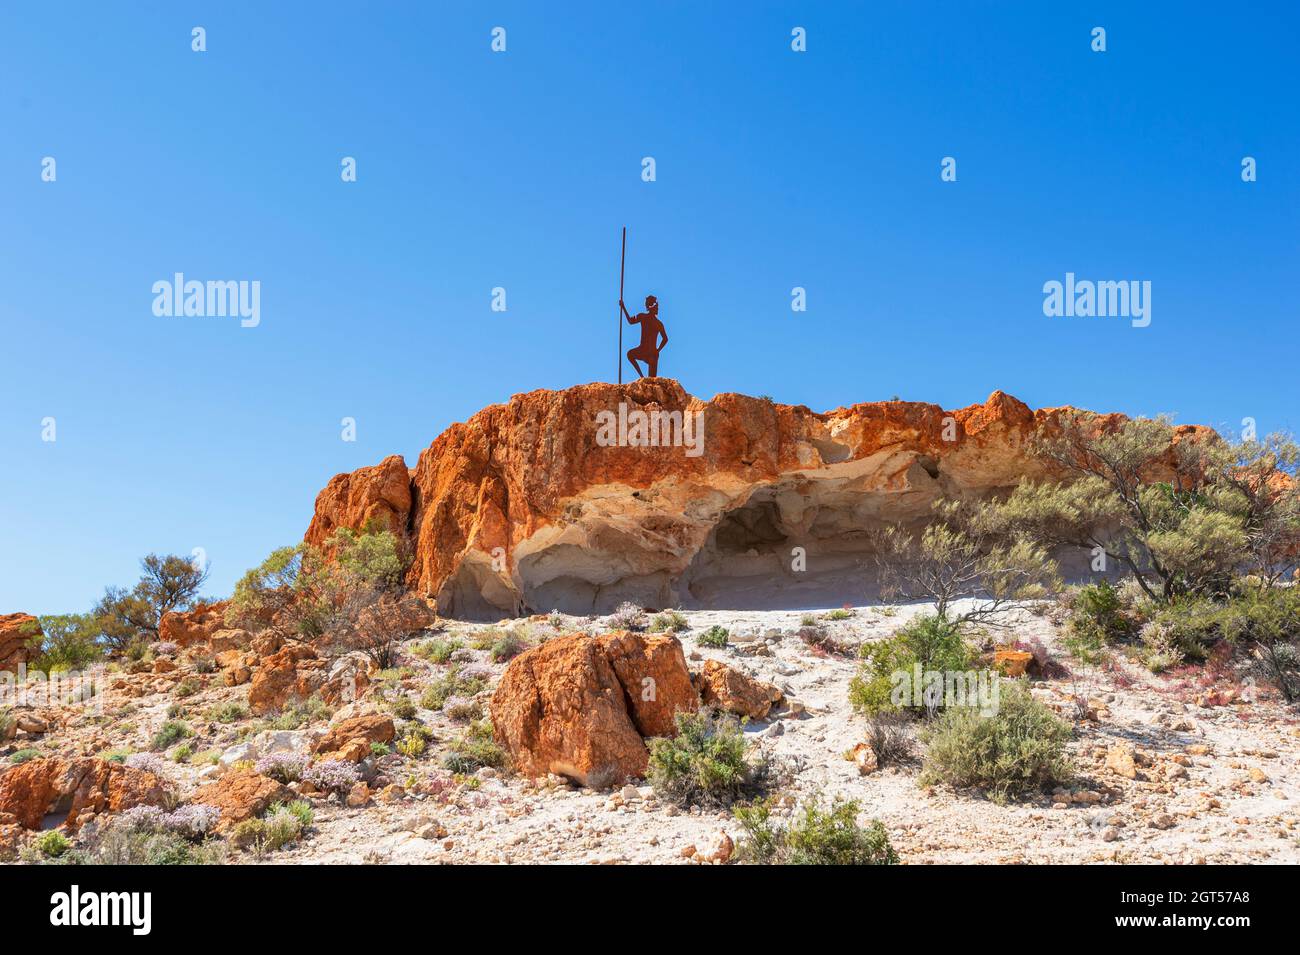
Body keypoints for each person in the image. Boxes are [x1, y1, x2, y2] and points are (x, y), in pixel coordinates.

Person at [621, 294, 667, 378]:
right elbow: (665, 339)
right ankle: (642, 377)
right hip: (646, 351)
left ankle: (642, 377)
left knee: (652, 379)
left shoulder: (658, 323)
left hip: (651, 353)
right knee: (630, 354)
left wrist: (658, 350)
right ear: (650, 306)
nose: (658, 309)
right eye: (656, 307)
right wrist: (623, 307)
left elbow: (665, 339)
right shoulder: (644, 317)